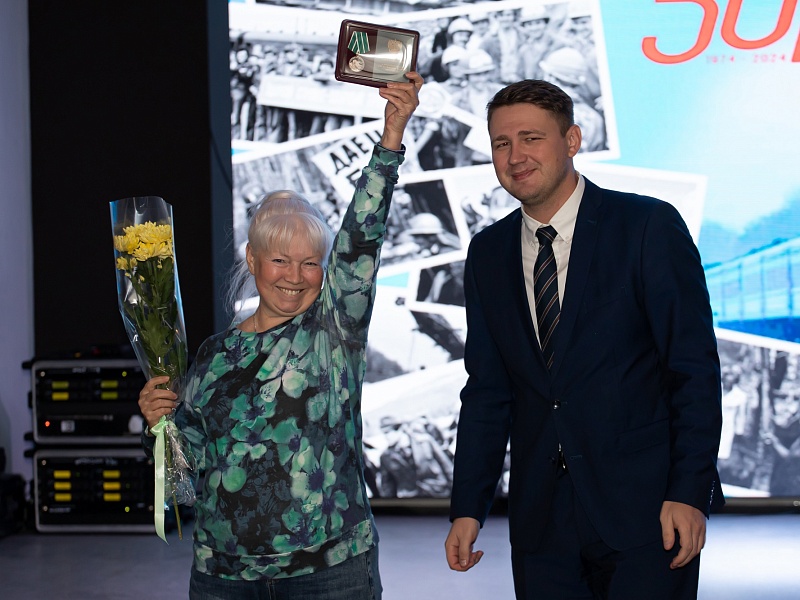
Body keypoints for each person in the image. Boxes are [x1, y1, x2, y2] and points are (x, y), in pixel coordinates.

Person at [138, 72, 423, 599]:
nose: (296, 276)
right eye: (280, 260)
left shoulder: (333, 332)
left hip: (330, 575)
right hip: (223, 579)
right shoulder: (213, 356)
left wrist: (390, 139)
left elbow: (360, 240)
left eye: (311, 262)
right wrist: (158, 426)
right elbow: (184, 475)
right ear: (252, 260)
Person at [444, 79, 723, 599]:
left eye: (532, 138)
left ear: (572, 140)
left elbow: (693, 371)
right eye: (502, 143)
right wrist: (467, 508)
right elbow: (487, 391)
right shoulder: (487, 252)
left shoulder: (647, 225)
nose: (515, 156)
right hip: (541, 524)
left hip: (649, 513)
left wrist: (690, 492)